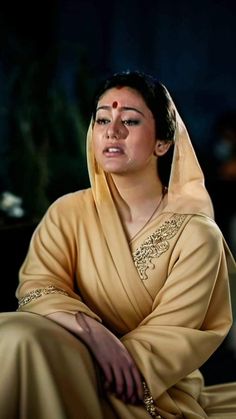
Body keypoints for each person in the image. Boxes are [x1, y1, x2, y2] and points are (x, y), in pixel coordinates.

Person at [0, 70, 235, 419]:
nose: (112, 131)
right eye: (102, 119)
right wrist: (94, 333)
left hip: (143, 385)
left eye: (130, 120)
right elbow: (38, 287)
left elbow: (175, 336)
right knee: (13, 331)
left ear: (163, 142)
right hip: (66, 351)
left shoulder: (197, 235)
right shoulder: (68, 212)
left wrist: (107, 360)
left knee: (24, 342)